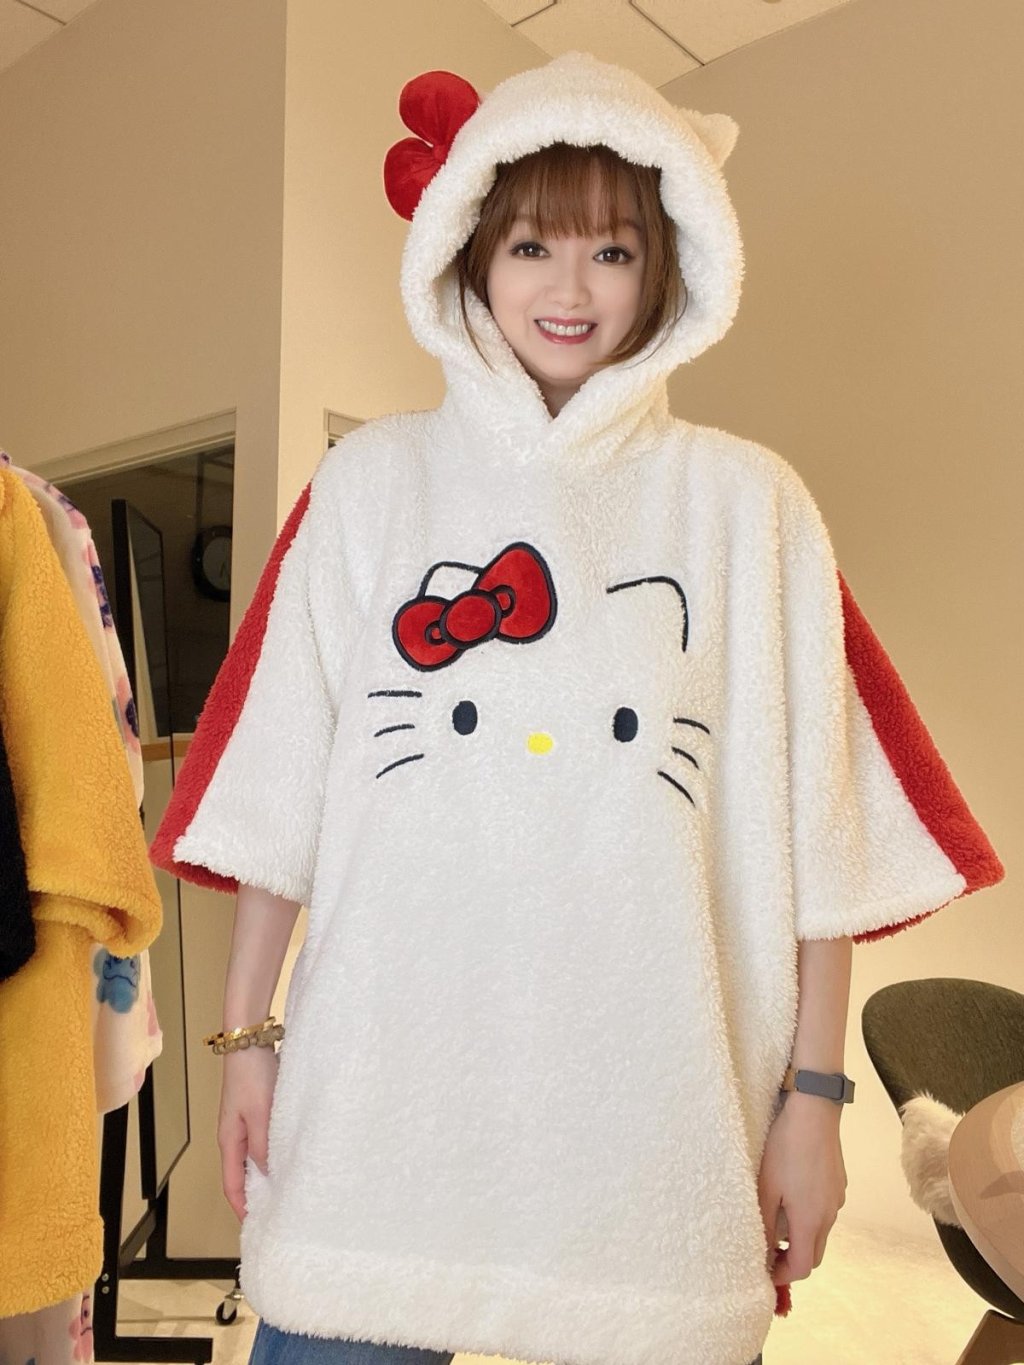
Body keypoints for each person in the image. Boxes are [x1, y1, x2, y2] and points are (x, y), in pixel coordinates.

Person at [151, 52, 1003, 1365]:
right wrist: (248, 1039)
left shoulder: (745, 505)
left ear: (670, 265)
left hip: (654, 1124)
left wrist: (815, 1101)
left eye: (612, 251)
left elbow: (818, 835)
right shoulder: (372, 486)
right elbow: (281, 789)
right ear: (469, 249)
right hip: (383, 1106)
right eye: (532, 244)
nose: (568, 288)